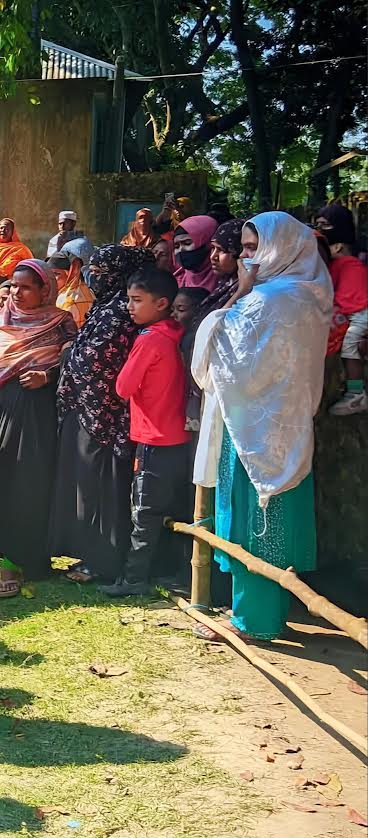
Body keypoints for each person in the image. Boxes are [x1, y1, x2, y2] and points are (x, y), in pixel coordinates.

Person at [191, 212, 331, 641]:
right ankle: (253, 614)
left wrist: (240, 294)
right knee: (265, 523)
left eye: (254, 249)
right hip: (279, 427)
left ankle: (256, 622)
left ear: (283, 247)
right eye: (245, 250)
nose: (246, 259)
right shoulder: (310, 293)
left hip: (255, 432)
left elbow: (220, 353)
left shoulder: (270, 300)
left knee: (258, 525)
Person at [0, 260, 77, 598]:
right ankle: (9, 563)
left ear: (45, 289)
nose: (16, 293)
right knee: (9, 480)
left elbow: (75, 366)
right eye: (13, 286)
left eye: (26, 287)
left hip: (41, 411)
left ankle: (35, 560)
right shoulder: (0, 324)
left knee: (36, 484)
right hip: (5, 411)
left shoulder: (61, 323)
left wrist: (47, 377)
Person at [49, 245, 153, 585]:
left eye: (103, 269)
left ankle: (104, 561)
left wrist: (69, 355)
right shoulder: (105, 306)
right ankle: (88, 554)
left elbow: (97, 361)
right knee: (86, 489)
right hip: (85, 411)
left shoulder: (123, 310)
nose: (96, 275)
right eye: (94, 267)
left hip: (107, 417)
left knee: (105, 490)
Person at [100, 266, 192, 596]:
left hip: (154, 437)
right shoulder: (177, 333)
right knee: (179, 509)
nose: (130, 306)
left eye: (137, 300)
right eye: (128, 299)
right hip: (181, 436)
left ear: (162, 302)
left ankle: (134, 579)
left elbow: (123, 387)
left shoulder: (150, 339)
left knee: (145, 512)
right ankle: (178, 574)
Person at [315, 204, 368, 415]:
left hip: (359, 314)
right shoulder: (336, 264)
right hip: (351, 311)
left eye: (324, 225)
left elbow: (353, 301)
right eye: (317, 224)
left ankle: (357, 394)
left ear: (338, 246)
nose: (319, 229)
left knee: (349, 345)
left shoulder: (350, 265)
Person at [173, 216, 219, 292]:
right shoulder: (177, 281)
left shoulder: (227, 281)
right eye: (176, 246)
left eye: (187, 243)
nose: (181, 250)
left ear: (208, 244)